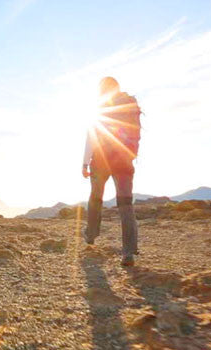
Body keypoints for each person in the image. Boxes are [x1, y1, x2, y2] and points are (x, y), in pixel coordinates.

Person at [82, 77, 141, 267]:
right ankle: (128, 252)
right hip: (123, 161)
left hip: (101, 161)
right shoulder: (129, 106)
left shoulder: (100, 107)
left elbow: (92, 136)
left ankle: (91, 235)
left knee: (95, 198)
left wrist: (85, 163)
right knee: (126, 204)